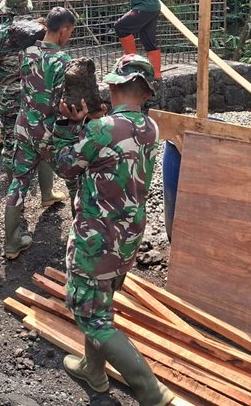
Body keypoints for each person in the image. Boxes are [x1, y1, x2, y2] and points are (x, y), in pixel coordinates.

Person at [52, 54, 175, 406]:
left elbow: (65, 165)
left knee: (90, 315)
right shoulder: (149, 128)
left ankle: (152, 392)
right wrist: (91, 121)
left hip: (97, 236)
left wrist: (67, 123)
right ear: (146, 92)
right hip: (127, 237)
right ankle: (94, 369)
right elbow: (111, 143)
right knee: (100, 301)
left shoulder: (102, 129)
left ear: (115, 85)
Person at [4, 7, 76, 259]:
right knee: (75, 179)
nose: (69, 37)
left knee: (19, 182)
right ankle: (80, 239)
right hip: (49, 133)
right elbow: (62, 104)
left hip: (24, 128)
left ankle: (12, 243)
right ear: (63, 30)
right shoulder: (63, 62)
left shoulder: (28, 52)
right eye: (70, 32)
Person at [0, 0, 56, 195]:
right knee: (43, 140)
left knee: (11, 142)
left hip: (10, 96)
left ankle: (17, 197)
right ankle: (47, 194)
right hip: (37, 93)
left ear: (7, 10)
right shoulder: (42, 30)